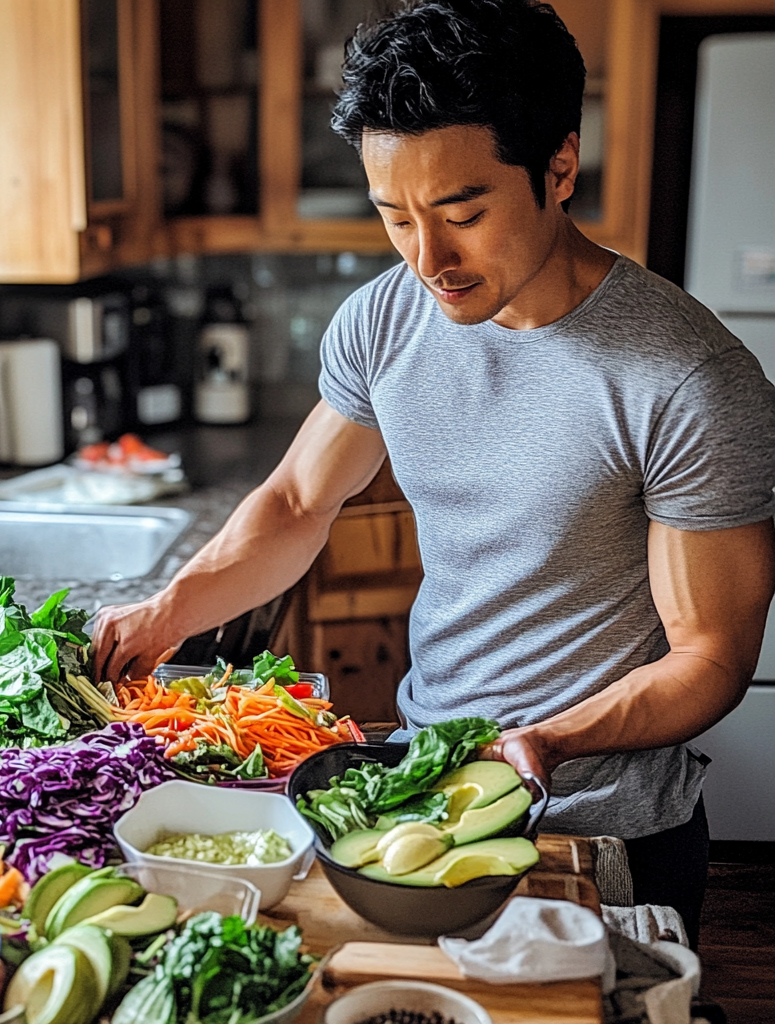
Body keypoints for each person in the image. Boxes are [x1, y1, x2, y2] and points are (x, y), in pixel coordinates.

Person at [92, 0, 775, 946]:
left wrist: (552, 741)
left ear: (559, 169)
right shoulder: (384, 322)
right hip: (420, 787)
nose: (428, 259)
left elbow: (713, 656)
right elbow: (297, 501)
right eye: (394, 216)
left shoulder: (686, 379)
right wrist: (169, 610)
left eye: (463, 213)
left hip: (604, 829)